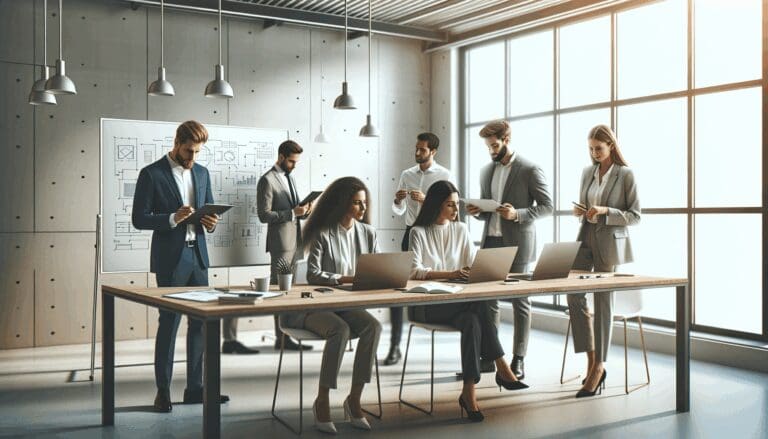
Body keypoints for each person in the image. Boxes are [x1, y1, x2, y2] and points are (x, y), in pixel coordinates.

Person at [408, 180, 527, 423]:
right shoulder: (417, 232)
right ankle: (501, 364)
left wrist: (481, 271)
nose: (455, 210)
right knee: (477, 307)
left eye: (456, 205)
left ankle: (469, 393)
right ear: (436, 205)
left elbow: (471, 265)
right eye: (450, 205)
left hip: (459, 302)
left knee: (473, 320)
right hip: (426, 305)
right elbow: (413, 271)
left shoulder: (460, 229)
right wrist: (450, 274)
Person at [131, 120, 230, 412]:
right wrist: (173, 218)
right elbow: (139, 218)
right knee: (169, 324)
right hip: (171, 260)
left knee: (200, 324)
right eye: (188, 151)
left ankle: (195, 389)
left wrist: (211, 222)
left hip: (198, 257)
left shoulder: (202, 173)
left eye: (197, 152)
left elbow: (208, 209)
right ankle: (163, 391)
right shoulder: (151, 174)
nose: (192, 158)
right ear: (176, 143)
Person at [283, 176, 382, 433]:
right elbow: (314, 274)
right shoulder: (322, 232)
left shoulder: (368, 233)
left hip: (347, 303)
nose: (363, 209)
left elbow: (376, 267)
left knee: (374, 327)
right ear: (343, 204)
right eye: (357, 203)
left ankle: (355, 399)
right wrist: (348, 278)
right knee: (341, 330)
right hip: (316, 305)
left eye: (364, 203)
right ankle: (323, 399)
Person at [467, 120, 553, 380]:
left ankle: (519, 358)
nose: (491, 151)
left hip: (519, 243)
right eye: (487, 147)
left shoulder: (529, 169)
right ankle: (493, 357)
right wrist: (478, 212)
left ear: (506, 139)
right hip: (490, 241)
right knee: (488, 302)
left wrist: (518, 214)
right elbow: (488, 213)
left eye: (494, 145)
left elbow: (547, 206)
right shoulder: (485, 171)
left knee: (520, 302)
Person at [568, 124, 640, 398]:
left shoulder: (626, 175)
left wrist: (606, 211)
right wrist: (581, 212)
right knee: (573, 295)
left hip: (610, 243)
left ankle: (599, 366)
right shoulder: (588, 172)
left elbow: (635, 215)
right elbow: (586, 209)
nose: (594, 153)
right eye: (590, 149)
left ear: (611, 145)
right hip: (585, 239)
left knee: (602, 300)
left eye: (599, 148)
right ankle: (590, 357)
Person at [386, 132, 452, 366]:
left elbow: (449, 208)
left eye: (422, 150)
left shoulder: (444, 175)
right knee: (398, 288)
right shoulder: (406, 175)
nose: (417, 153)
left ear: (433, 152)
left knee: (434, 281)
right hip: (409, 233)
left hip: (433, 235)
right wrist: (397, 201)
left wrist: (427, 201)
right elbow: (399, 211)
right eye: (416, 148)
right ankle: (394, 346)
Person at [256, 140, 314, 352]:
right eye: (291, 161)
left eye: (296, 161)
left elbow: (295, 210)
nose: (294, 165)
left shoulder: (290, 178)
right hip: (280, 244)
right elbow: (264, 215)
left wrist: (305, 210)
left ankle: (289, 334)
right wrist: (292, 213)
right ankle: (281, 338)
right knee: (279, 291)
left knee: (292, 291)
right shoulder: (267, 180)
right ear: (281, 156)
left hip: (296, 240)